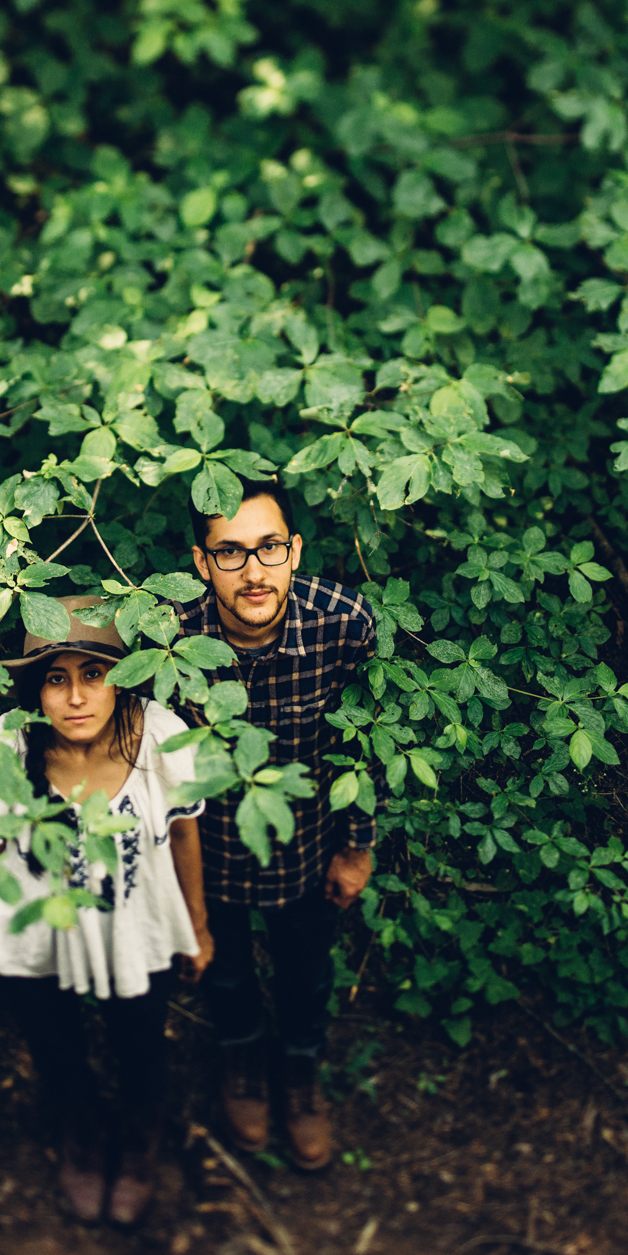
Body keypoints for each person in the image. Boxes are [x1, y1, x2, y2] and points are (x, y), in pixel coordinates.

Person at [0, 596, 215, 1227]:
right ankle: (81, 1135)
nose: (76, 697)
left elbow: (183, 834)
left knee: (139, 1045)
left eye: (94, 674)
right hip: (33, 932)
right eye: (56, 678)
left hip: (136, 925)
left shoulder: (157, 737)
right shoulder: (9, 751)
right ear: (35, 691)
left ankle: (140, 1142)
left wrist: (197, 930)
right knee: (56, 1048)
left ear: (120, 680)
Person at [179, 479, 377, 1171]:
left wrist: (356, 848)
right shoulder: (170, 633)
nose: (254, 571)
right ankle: (241, 1066)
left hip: (308, 849)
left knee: (305, 975)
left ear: (294, 550)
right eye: (230, 553)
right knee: (226, 976)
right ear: (203, 564)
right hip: (208, 856)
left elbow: (363, 740)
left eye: (268, 547)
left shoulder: (344, 622)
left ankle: (299, 1076)